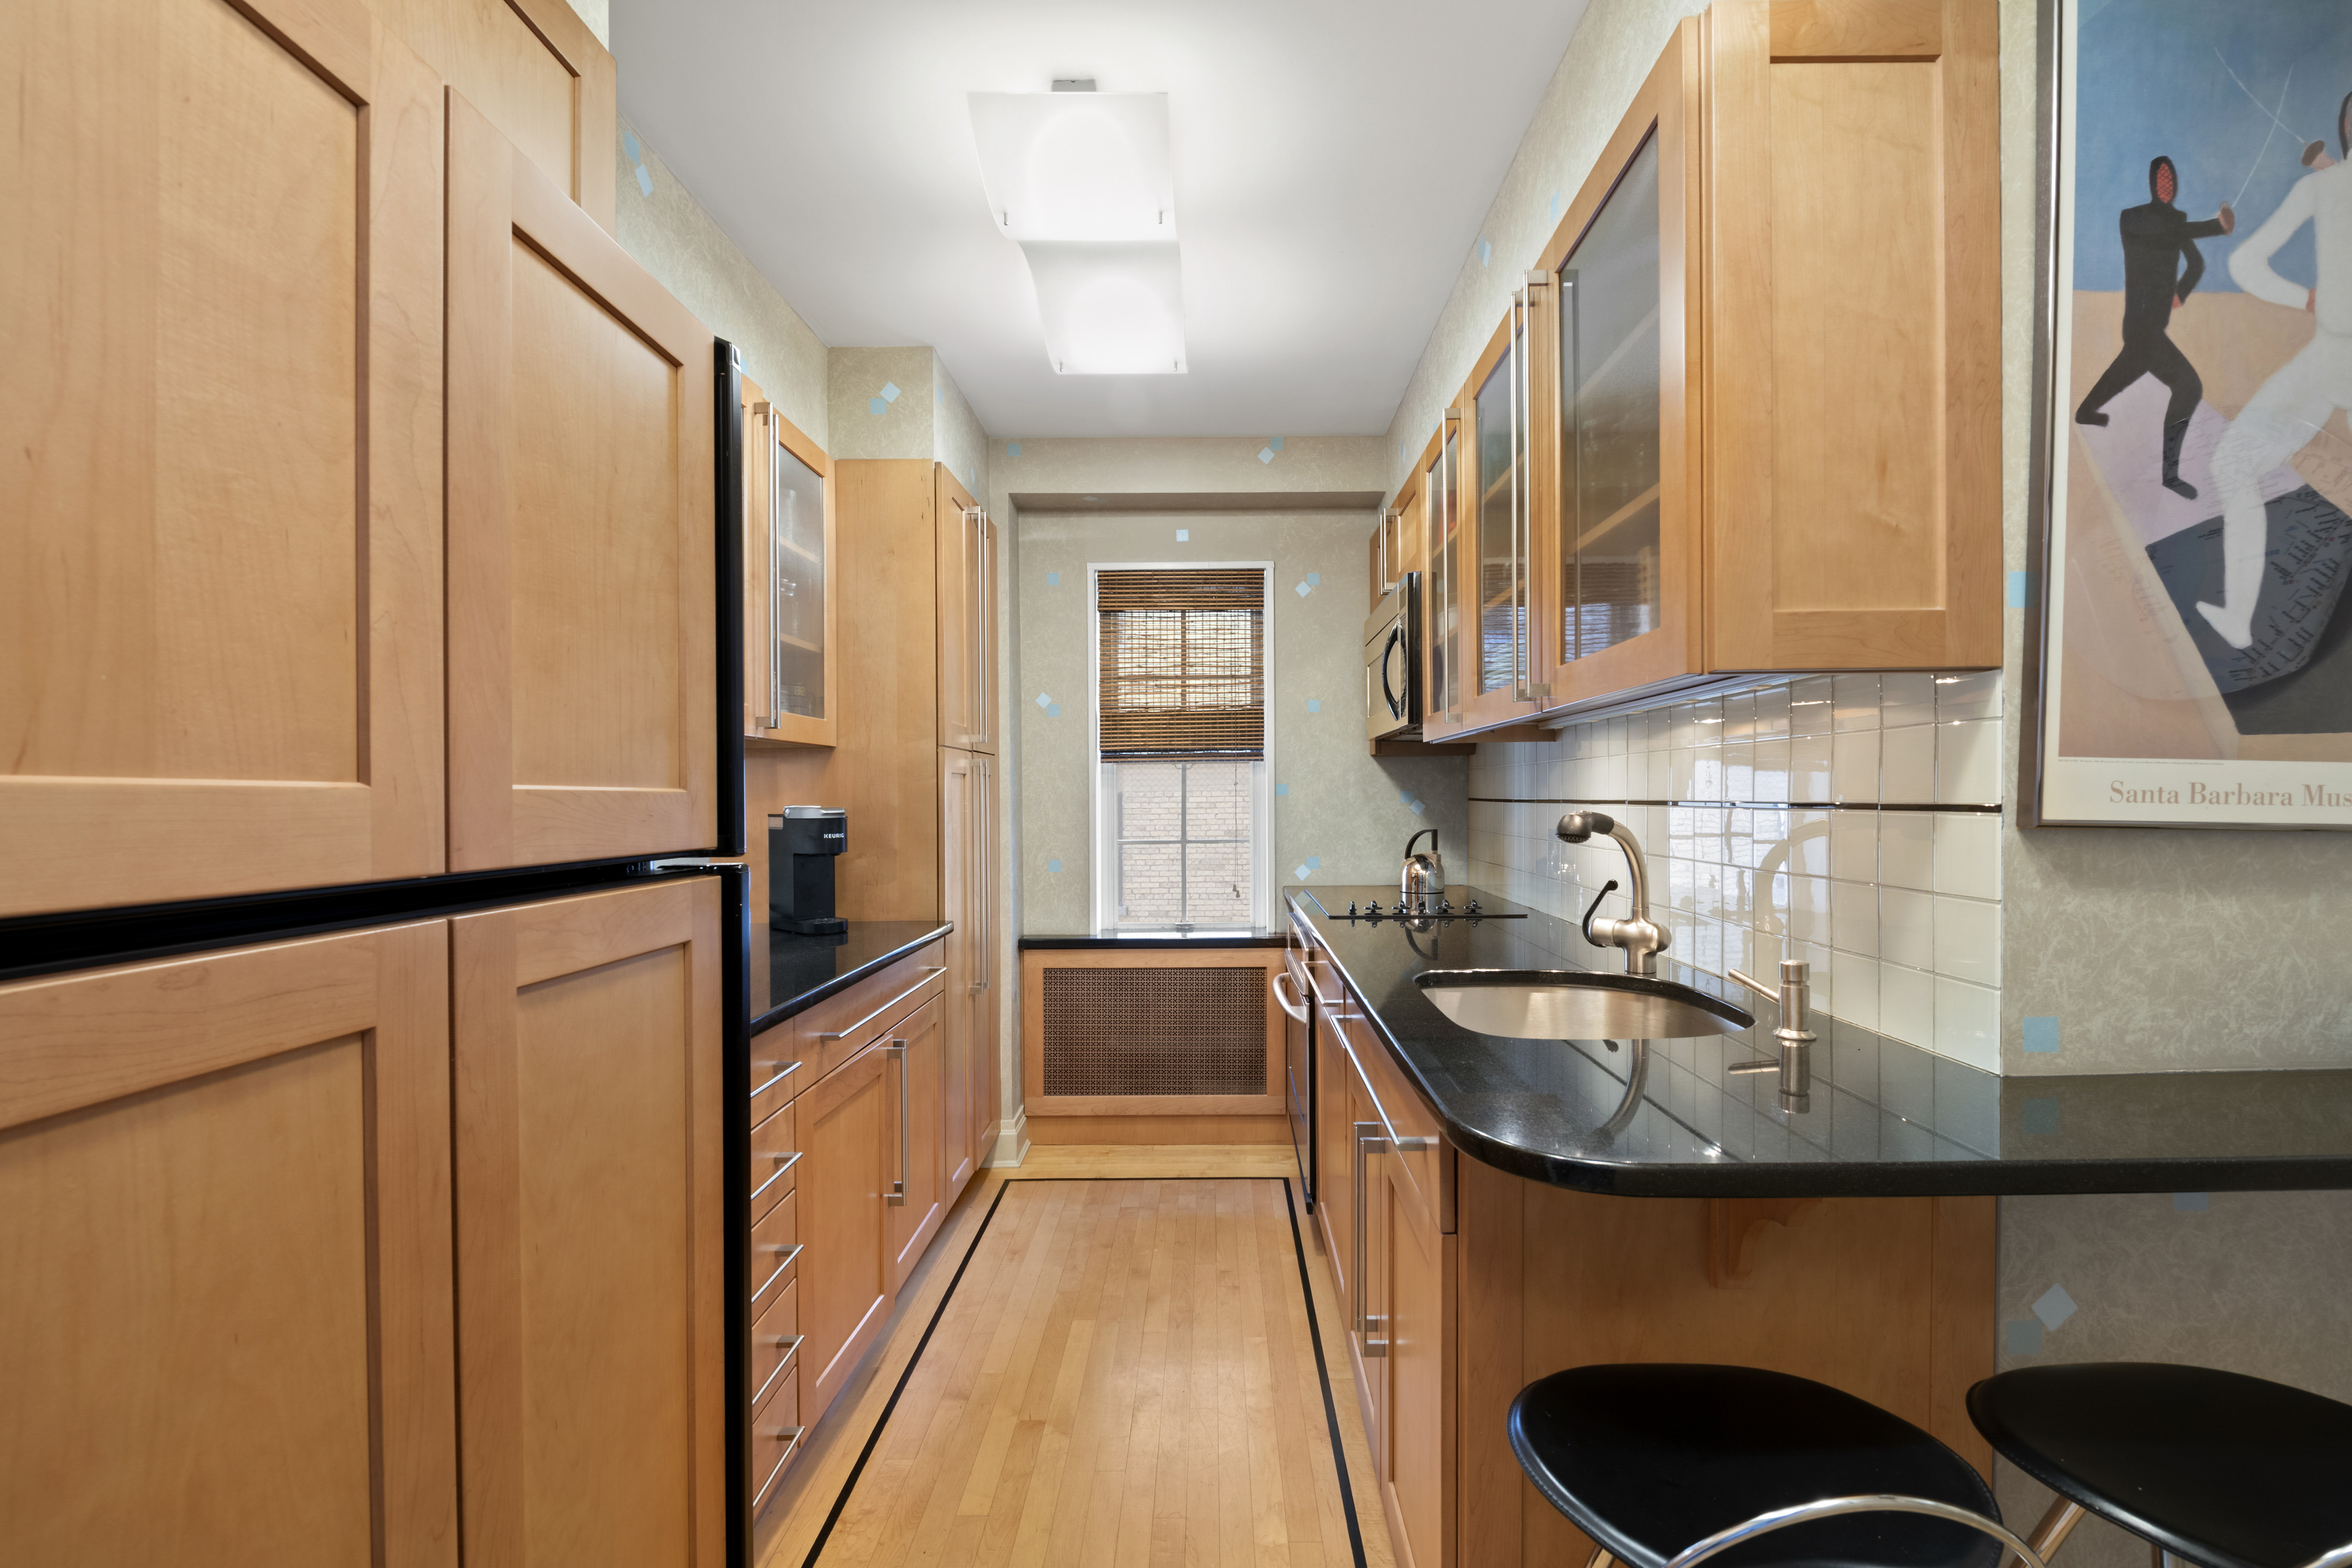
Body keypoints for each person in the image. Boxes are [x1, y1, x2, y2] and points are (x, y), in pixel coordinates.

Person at [2201, 91, 2352, 650]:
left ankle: (2240, 621)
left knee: (2234, 467)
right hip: (2325, 359)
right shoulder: (2324, 184)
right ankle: (2238, 622)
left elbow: (2244, 264)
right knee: (2234, 464)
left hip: (2329, 356)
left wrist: (2306, 298)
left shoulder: (2321, 185)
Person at [2077, 156, 2236, 499]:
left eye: (2170, 179)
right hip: (2140, 325)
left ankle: (2086, 411)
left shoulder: (2174, 226)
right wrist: (2216, 226)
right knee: (2189, 386)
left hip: (2149, 329)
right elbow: (2166, 235)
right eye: (2161, 178)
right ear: (2152, 183)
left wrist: (2181, 292)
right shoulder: (2132, 219)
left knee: (2128, 368)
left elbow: (2196, 262)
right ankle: (2170, 475)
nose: (2166, 184)